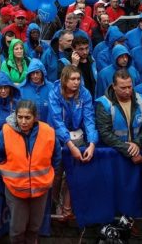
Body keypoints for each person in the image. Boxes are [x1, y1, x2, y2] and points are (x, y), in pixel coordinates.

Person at [0, 100, 61, 244]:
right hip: (15, 190)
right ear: (15, 116)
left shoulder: (48, 132)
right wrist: (5, 177)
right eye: (20, 117)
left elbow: (56, 157)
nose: (23, 121)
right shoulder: (6, 132)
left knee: (35, 227)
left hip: (40, 190)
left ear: (35, 117)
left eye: (27, 118)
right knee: (17, 229)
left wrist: (48, 178)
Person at [48, 66, 98, 219]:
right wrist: (70, 145)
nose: (77, 82)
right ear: (64, 80)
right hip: (56, 136)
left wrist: (92, 143)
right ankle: (54, 202)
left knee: (74, 172)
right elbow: (57, 122)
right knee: (56, 174)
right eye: (73, 79)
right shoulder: (54, 93)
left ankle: (68, 206)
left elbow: (89, 119)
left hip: (77, 134)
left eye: (78, 79)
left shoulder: (84, 93)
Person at [96, 69, 142, 161]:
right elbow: (105, 133)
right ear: (114, 86)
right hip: (114, 154)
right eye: (123, 88)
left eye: (129, 87)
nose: (127, 91)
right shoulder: (104, 104)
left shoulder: (141, 100)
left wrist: (137, 142)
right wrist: (129, 150)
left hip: (137, 148)